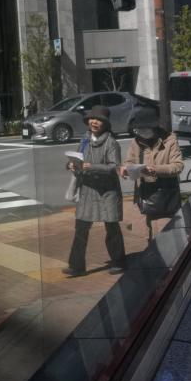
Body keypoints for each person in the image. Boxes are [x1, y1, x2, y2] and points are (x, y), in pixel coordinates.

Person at [63, 106, 125, 276]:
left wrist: (92, 167)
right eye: (92, 119)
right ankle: (77, 266)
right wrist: (71, 165)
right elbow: (78, 161)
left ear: (105, 124)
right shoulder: (84, 141)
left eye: (98, 120)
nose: (94, 122)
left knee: (112, 227)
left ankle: (118, 262)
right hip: (87, 190)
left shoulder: (111, 143)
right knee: (81, 229)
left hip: (107, 191)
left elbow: (114, 167)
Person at [119, 115, 184, 240]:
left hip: (165, 195)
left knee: (165, 235)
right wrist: (126, 168)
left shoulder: (169, 140)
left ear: (154, 127)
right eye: (138, 129)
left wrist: (155, 169)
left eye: (144, 129)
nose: (141, 132)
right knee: (143, 233)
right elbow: (130, 161)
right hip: (143, 194)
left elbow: (178, 166)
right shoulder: (136, 142)